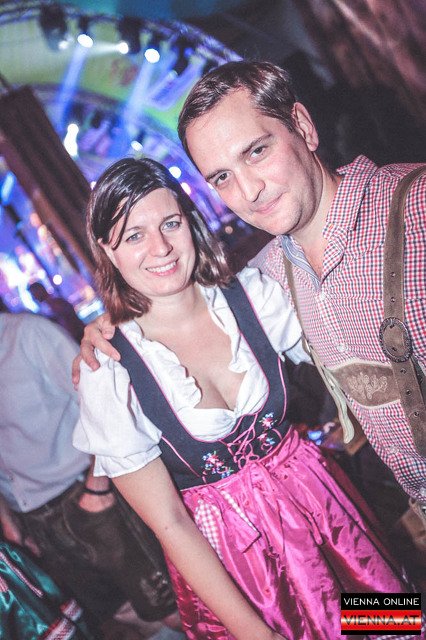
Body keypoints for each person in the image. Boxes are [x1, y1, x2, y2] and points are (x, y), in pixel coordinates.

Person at [73, 157, 415, 640]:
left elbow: (344, 320)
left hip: (329, 523)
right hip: (243, 577)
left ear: (190, 222)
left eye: (170, 223)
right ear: (107, 252)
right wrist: (255, 633)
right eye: (133, 236)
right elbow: (170, 524)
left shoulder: (255, 296)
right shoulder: (109, 372)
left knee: (394, 623)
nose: (161, 248)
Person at [176, 61, 426, 512]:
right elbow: (185, 329)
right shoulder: (268, 278)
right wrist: (109, 335)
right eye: (222, 177)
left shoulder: (417, 210)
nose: (248, 191)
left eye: (256, 151)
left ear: (303, 128)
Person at [0, 310, 179, 637]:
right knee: (121, 614)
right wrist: (10, 523)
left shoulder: (28, 334)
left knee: (165, 608)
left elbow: (102, 399)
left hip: (85, 496)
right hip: (34, 519)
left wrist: (98, 486)